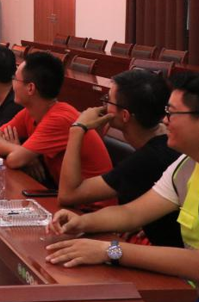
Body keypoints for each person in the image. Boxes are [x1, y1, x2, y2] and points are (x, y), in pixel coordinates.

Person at [46, 72, 199, 282]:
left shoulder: (163, 157)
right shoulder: (185, 165)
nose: (165, 120)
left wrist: (110, 250)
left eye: (171, 113)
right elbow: (130, 214)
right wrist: (81, 222)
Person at [56, 70, 182, 247]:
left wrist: (77, 129)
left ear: (124, 116)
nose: (103, 105)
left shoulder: (149, 159)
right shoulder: (163, 139)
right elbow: (131, 214)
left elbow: (68, 195)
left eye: (108, 100)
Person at [0, 52, 112, 186]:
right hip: (65, 191)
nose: (12, 83)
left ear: (30, 88)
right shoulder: (30, 112)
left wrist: (22, 153)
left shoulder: (58, 119)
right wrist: (21, 150)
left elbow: (14, 160)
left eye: (15, 78)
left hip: (90, 198)